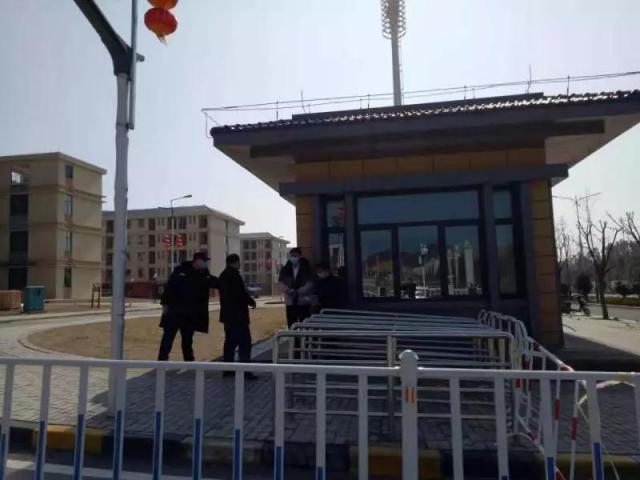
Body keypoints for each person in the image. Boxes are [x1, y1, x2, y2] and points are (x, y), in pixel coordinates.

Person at [157, 252, 218, 361]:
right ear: (197, 261)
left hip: (189, 315)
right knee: (168, 339)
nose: (205, 263)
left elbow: (214, 282)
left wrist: (226, 282)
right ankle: (162, 361)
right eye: (204, 261)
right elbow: (169, 287)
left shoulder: (203, 273)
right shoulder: (180, 270)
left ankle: (189, 361)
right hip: (174, 312)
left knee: (187, 341)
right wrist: (164, 305)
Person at [218, 254, 257, 379]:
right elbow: (240, 294)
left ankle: (228, 369)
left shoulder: (223, 276)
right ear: (234, 262)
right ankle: (245, 370)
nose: (239, 265)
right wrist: (250, 301)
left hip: (228, 316)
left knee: (230, 343)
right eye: (238, 262)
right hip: (238, 316)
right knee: (245, 343)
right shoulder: (235, 276)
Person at [278, 247, 315, 328]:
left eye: (295, 256)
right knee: (292, 324)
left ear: (300, 256)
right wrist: (288, 290)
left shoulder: (307, 268)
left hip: (303, 301)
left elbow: (310, 283)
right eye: (291, 256)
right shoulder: (286, 269)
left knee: (304, 324)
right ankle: (294, 336)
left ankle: (304, 336)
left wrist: (299, 291)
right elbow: (281, 282)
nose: (293, 258)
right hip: (290, 301)